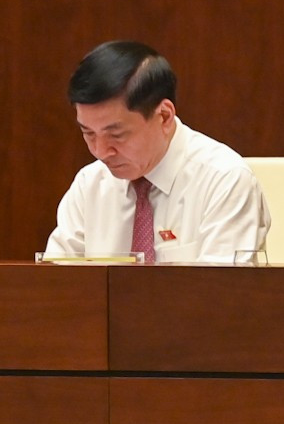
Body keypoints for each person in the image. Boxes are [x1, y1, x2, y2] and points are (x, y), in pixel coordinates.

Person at [45, 41, 270, 264]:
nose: (100, 151)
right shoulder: (90, 184)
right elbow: (56, 287)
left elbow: (222, 294)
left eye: (117, 135)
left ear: (164, 116)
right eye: (89, 133)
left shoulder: (225, 181)